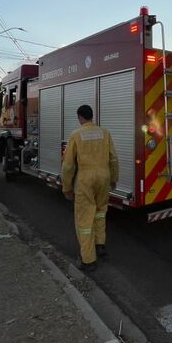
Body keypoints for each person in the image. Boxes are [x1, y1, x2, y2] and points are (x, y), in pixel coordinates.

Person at [61, 105, 118, 272]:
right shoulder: (105, 133)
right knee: (101, 212)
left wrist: (67, 187)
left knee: (84, 220)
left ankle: (88, 260)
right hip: (104, 177)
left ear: (80, 117)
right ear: (91, 116)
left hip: (86, 179)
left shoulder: (76, 135)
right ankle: (100, 246)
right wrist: (113, 178)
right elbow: (113, 158)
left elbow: (68, 165)